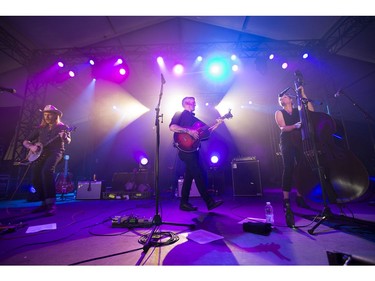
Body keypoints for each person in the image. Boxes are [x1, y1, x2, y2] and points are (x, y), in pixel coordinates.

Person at [169, 96, 224, 211]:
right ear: (187, 103)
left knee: (189, 177)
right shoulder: (179, 113)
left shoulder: (195, 119)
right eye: (193, 103)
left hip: (193, 150)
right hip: (184, 149)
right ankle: (209, 202)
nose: (195, 104)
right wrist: (189, 130)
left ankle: (184, 203)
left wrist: (218, 123)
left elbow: (207, 131)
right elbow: (172, 127)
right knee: (198, 175)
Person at [23, 105, 72, 216]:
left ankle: (51, 204)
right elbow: (25, 141)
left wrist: (64, 137)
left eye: (49, 114)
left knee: (46, 171)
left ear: (56, 115)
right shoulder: (40, 128)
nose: (47, 116)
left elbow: (68, 140)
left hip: (56, 152)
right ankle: (44, 202)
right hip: (41, 154)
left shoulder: (62, 127)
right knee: (35, 177)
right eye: (45, 114)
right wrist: (31, 147)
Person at [275, 86, 313, 227]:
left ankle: (300, 196)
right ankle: (285, 200)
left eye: (284, 96)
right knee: (289, 167)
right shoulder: (279, 112)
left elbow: (311, 111)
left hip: (299, 142)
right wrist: (295, 126)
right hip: (286, 143)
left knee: (302, 167)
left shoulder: (297, 110)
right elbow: (283, 128)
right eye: (280, 98)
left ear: (290, 99)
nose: (282, 98)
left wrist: (302, 93)